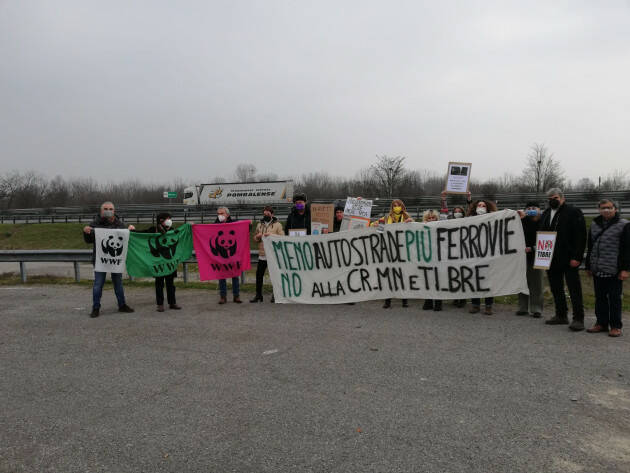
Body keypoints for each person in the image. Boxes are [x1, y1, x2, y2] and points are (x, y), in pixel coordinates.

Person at [540, 188, 587, 331]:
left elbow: (581, 235)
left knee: (574, 289)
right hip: (550, 258)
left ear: (562, 198)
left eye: (555, 198)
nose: (552, 201)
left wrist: (577, 257)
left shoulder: (573, 212)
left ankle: (578, 318)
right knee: (556, 288)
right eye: (549, 199)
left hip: (569, 258)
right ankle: (561, 315)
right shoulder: (546, 213)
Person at [585, 199, 630, 337]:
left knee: (615, 298)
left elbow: (628, 248)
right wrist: (588, 266)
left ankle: (616, 326)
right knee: (600, 298)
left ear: (615, 209)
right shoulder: (594, 224)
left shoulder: (624, 224)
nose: (606, 210)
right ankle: (601, 323)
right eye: (603, 208)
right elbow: (590, 246)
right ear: (599, 209)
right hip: (598, 268)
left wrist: (625, 269)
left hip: (614, 269)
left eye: (609, 207)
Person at [83, 201, 135, 318]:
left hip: (115, 260)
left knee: (118, 283)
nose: (108, 211)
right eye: (105, 208)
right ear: (101, 211)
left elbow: (127, 239)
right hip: (100, 260)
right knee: (98, 284)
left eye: (110, 209)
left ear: (114, 211)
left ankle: (122, 305)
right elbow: (88, 240)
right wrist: (86, 232)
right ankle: (96, 308)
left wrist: (131, 230)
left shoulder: (120, 224)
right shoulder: (94, 224)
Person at [374, 199, 414, 309]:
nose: (396, 207)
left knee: (403, 275)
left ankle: (404, 300)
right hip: (389, 251)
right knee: (388, 276)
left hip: (403, 251)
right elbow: (378, 230)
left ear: (402, 206)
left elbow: (415, 229)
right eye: (394, 206)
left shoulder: (407, 218)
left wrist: (411, 222)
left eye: (398, 205)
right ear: (391, 208)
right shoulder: (386, 219)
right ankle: (387, 301)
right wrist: (375, 224)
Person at [142, 212, 181, 312]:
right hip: (158, 263)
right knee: (159, 284)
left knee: (170, 284)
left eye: (170, 218)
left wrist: (189, 226)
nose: (169, 220)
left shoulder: (172, 231)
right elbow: (141, 235)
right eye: (167, 218)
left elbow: (181, 236)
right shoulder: (152, 230)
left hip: (169, 263)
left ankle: (172, 302)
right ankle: (160, 304)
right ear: (161, 221)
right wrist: (132, 230)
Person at [440, 191, 471, 308]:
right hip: (452, 251)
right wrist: (443, 199)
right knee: (453, 275)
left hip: (464, 251)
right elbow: (444, 211)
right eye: (455, 212)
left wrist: (469, 198)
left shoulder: (467, 220)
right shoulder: (449, 219)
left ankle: (462, 298)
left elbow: (470, 209)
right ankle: (455, 297)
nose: (457, 213)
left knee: (463, 275)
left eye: (459, 212)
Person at [467, 198, 498, 315]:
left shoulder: (493, 218)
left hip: (488, 254)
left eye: (483, 205)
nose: (481, 207)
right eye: (479, 205)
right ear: (475, 207)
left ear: (488, 208)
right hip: (473, 254)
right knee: (474, 280)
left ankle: (488, 305)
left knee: (488, 280)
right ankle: (475, 304)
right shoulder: (469, 220)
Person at [250, 206, 284, 303]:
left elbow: (282, 237)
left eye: (268, 214)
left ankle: (275, 295)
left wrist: (272, 235)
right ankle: (258, 295)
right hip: (262, 254)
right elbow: (255, 239)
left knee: (274, 276)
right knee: (259, 275)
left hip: (273, 255)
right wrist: (258, 236)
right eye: (264, 214)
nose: (266, 216)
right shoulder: (259, 225)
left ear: (272, 214)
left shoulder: (278, 225)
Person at [516, 202, 544, 318]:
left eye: (534, 208)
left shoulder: (543, 221)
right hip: (522, 256)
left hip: (538, 256)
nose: (531, 210)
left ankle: (536, 308)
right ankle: (522, 307)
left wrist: (532, 248)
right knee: (522, 282)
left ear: (539, 210)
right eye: (528, 208)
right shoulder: (520, 221)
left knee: (537, 284)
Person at [215, 207, 242, 304]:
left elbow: (243, 230)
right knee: (222, 276)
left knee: (235, 275)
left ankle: (236, 295)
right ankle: (223, 296)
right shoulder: (214, 225)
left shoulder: (234, 223)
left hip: (233, 254)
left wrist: (249, 224)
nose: (220, 215)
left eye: (222, 213)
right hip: (220, 256)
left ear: (227, 214)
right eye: (218, 213)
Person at [421, 210, 442, 311]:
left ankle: (438, 302)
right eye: (429, 218)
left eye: (433, 217)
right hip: (427, 258)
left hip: (438, 258)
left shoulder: (441, 226)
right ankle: (428, 301)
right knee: (427, 280)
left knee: (438, 280)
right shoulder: (421, 227)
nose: (431, 219)